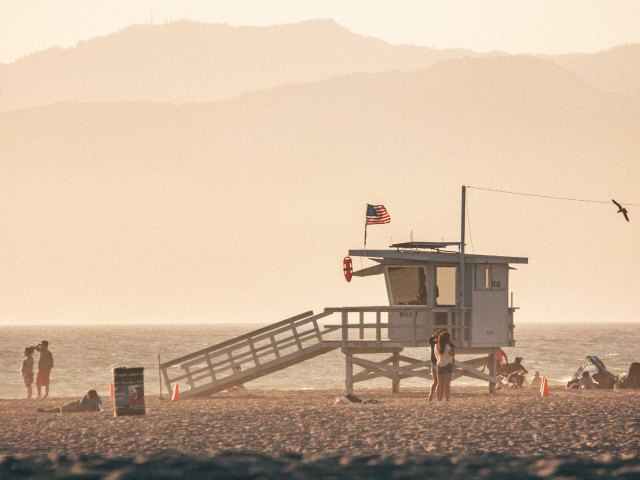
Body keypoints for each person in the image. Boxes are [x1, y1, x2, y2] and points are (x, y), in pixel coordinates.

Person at [37, 389, 103, 413]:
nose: (89, 398)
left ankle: (47, 411)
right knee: (62, 407)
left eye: (90, 397)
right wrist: (81, 406)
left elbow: (99, 408)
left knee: (62, 409)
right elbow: (81, 402)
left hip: (81, 409)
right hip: (78, 404)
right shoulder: (88, 394)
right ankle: (46, 411)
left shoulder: (98, 400)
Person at [434, 331, 455, 401]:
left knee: (440, 384)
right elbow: (452, 354)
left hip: (439, 364)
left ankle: (439, 399)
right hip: (447, 365)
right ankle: (447, 399)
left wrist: (441, 360)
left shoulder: (436, 346)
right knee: (447, 384)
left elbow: (436, 356)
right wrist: (453, 349)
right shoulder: (447, 346)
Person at [427, 329, 445, 401]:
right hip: (435, 363)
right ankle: (431, 395)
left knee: (439, 381)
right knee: (436, 381)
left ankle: (438, 397)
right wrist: (436, 336)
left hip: (439, 363)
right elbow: (431, 339)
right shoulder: (433, 341)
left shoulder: (441, 342)